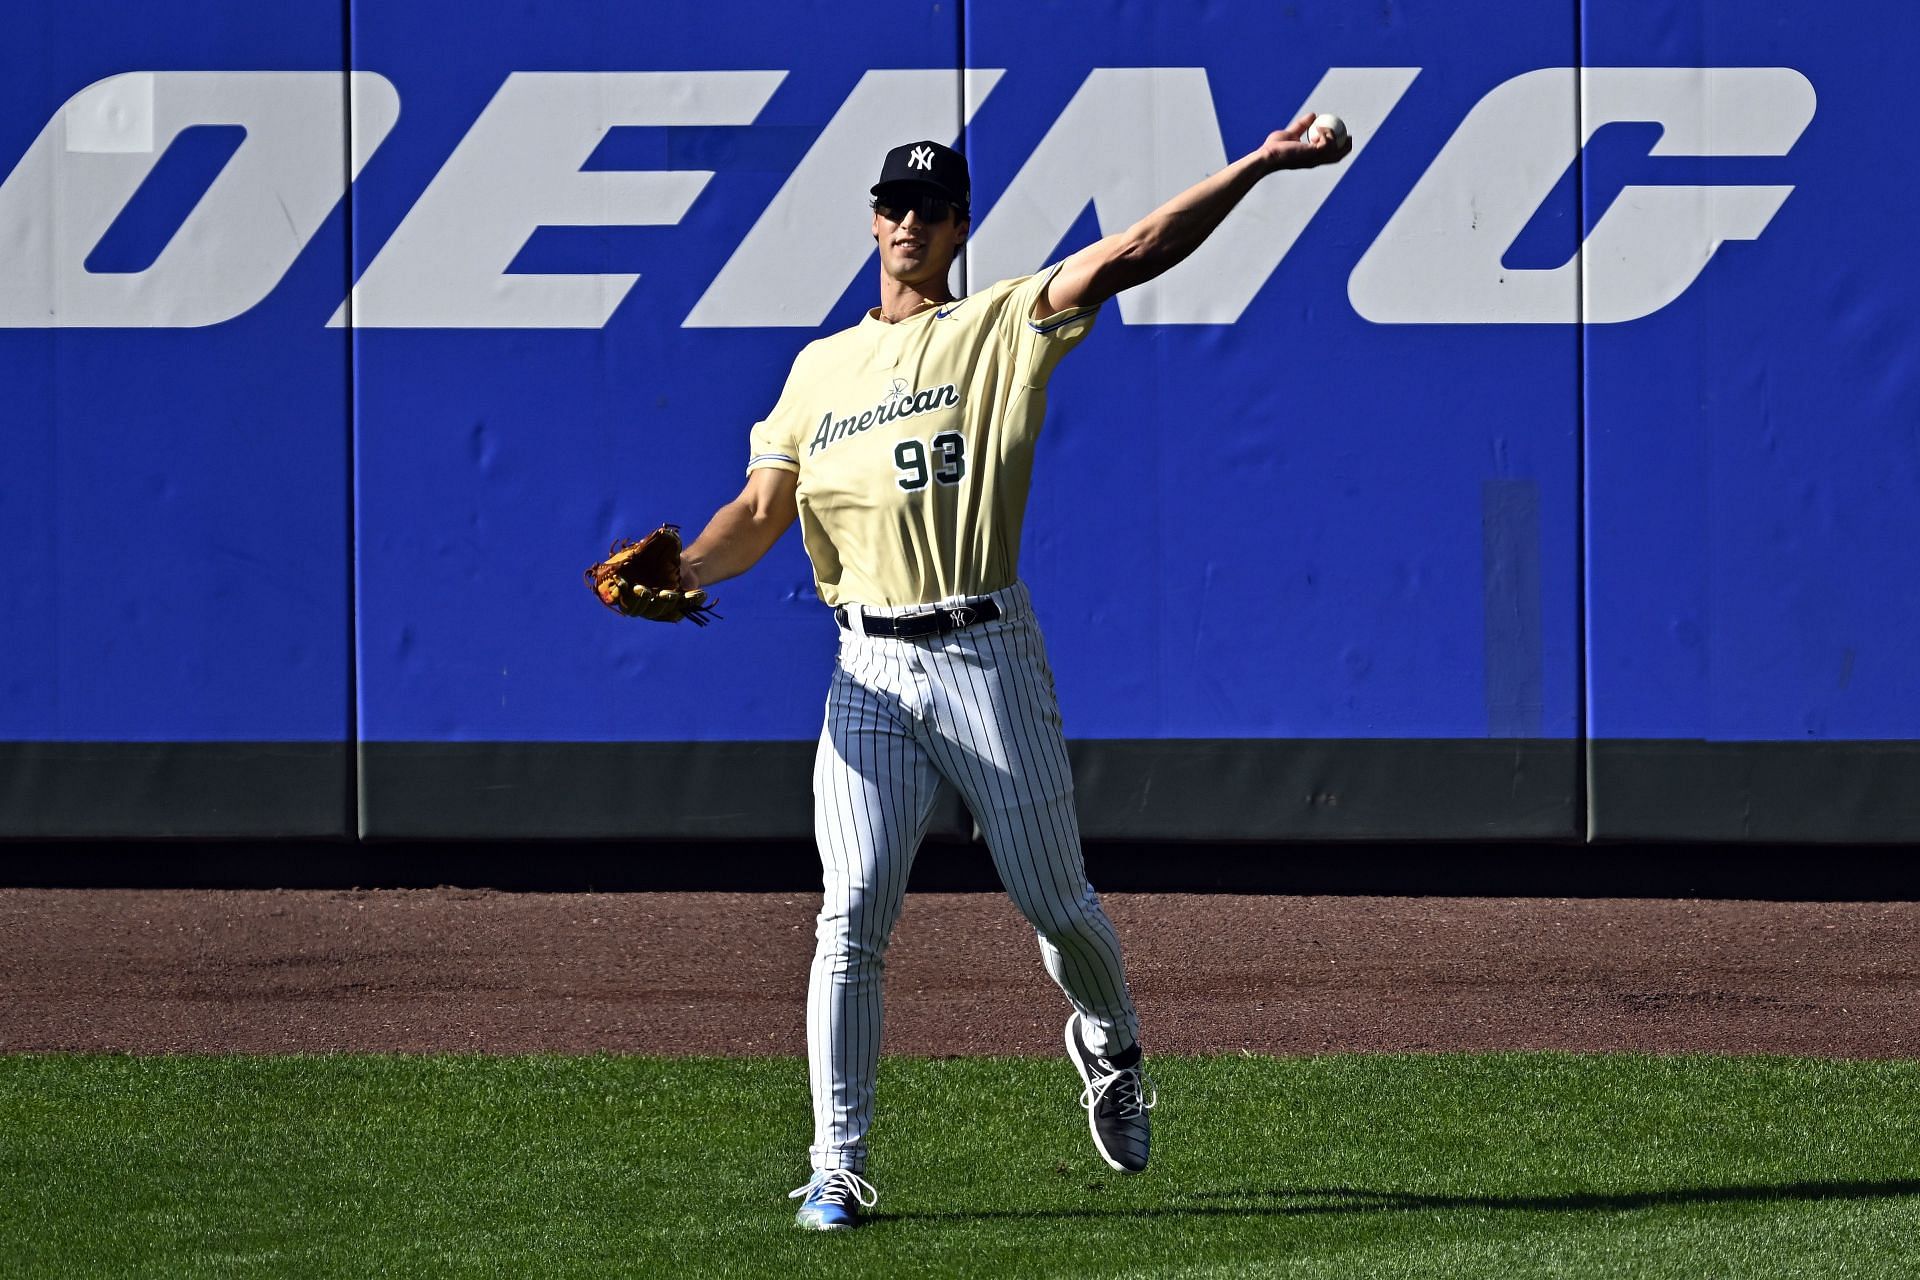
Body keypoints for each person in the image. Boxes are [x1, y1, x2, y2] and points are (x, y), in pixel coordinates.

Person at [678, 115, 1350, 1230]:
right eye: (894, 204)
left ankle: (1111, 1038)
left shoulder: (1002, 323)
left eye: (931, 208)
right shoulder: (817, 368)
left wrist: (1263, 164)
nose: (908, 222)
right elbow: (759, 511)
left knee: (1057, 902)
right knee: (849, 913)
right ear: (876, 218)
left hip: (984, 652)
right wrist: (688, 568)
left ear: (959, 227)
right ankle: (835, 1163)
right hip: (868, 668)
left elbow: (1134, 247)